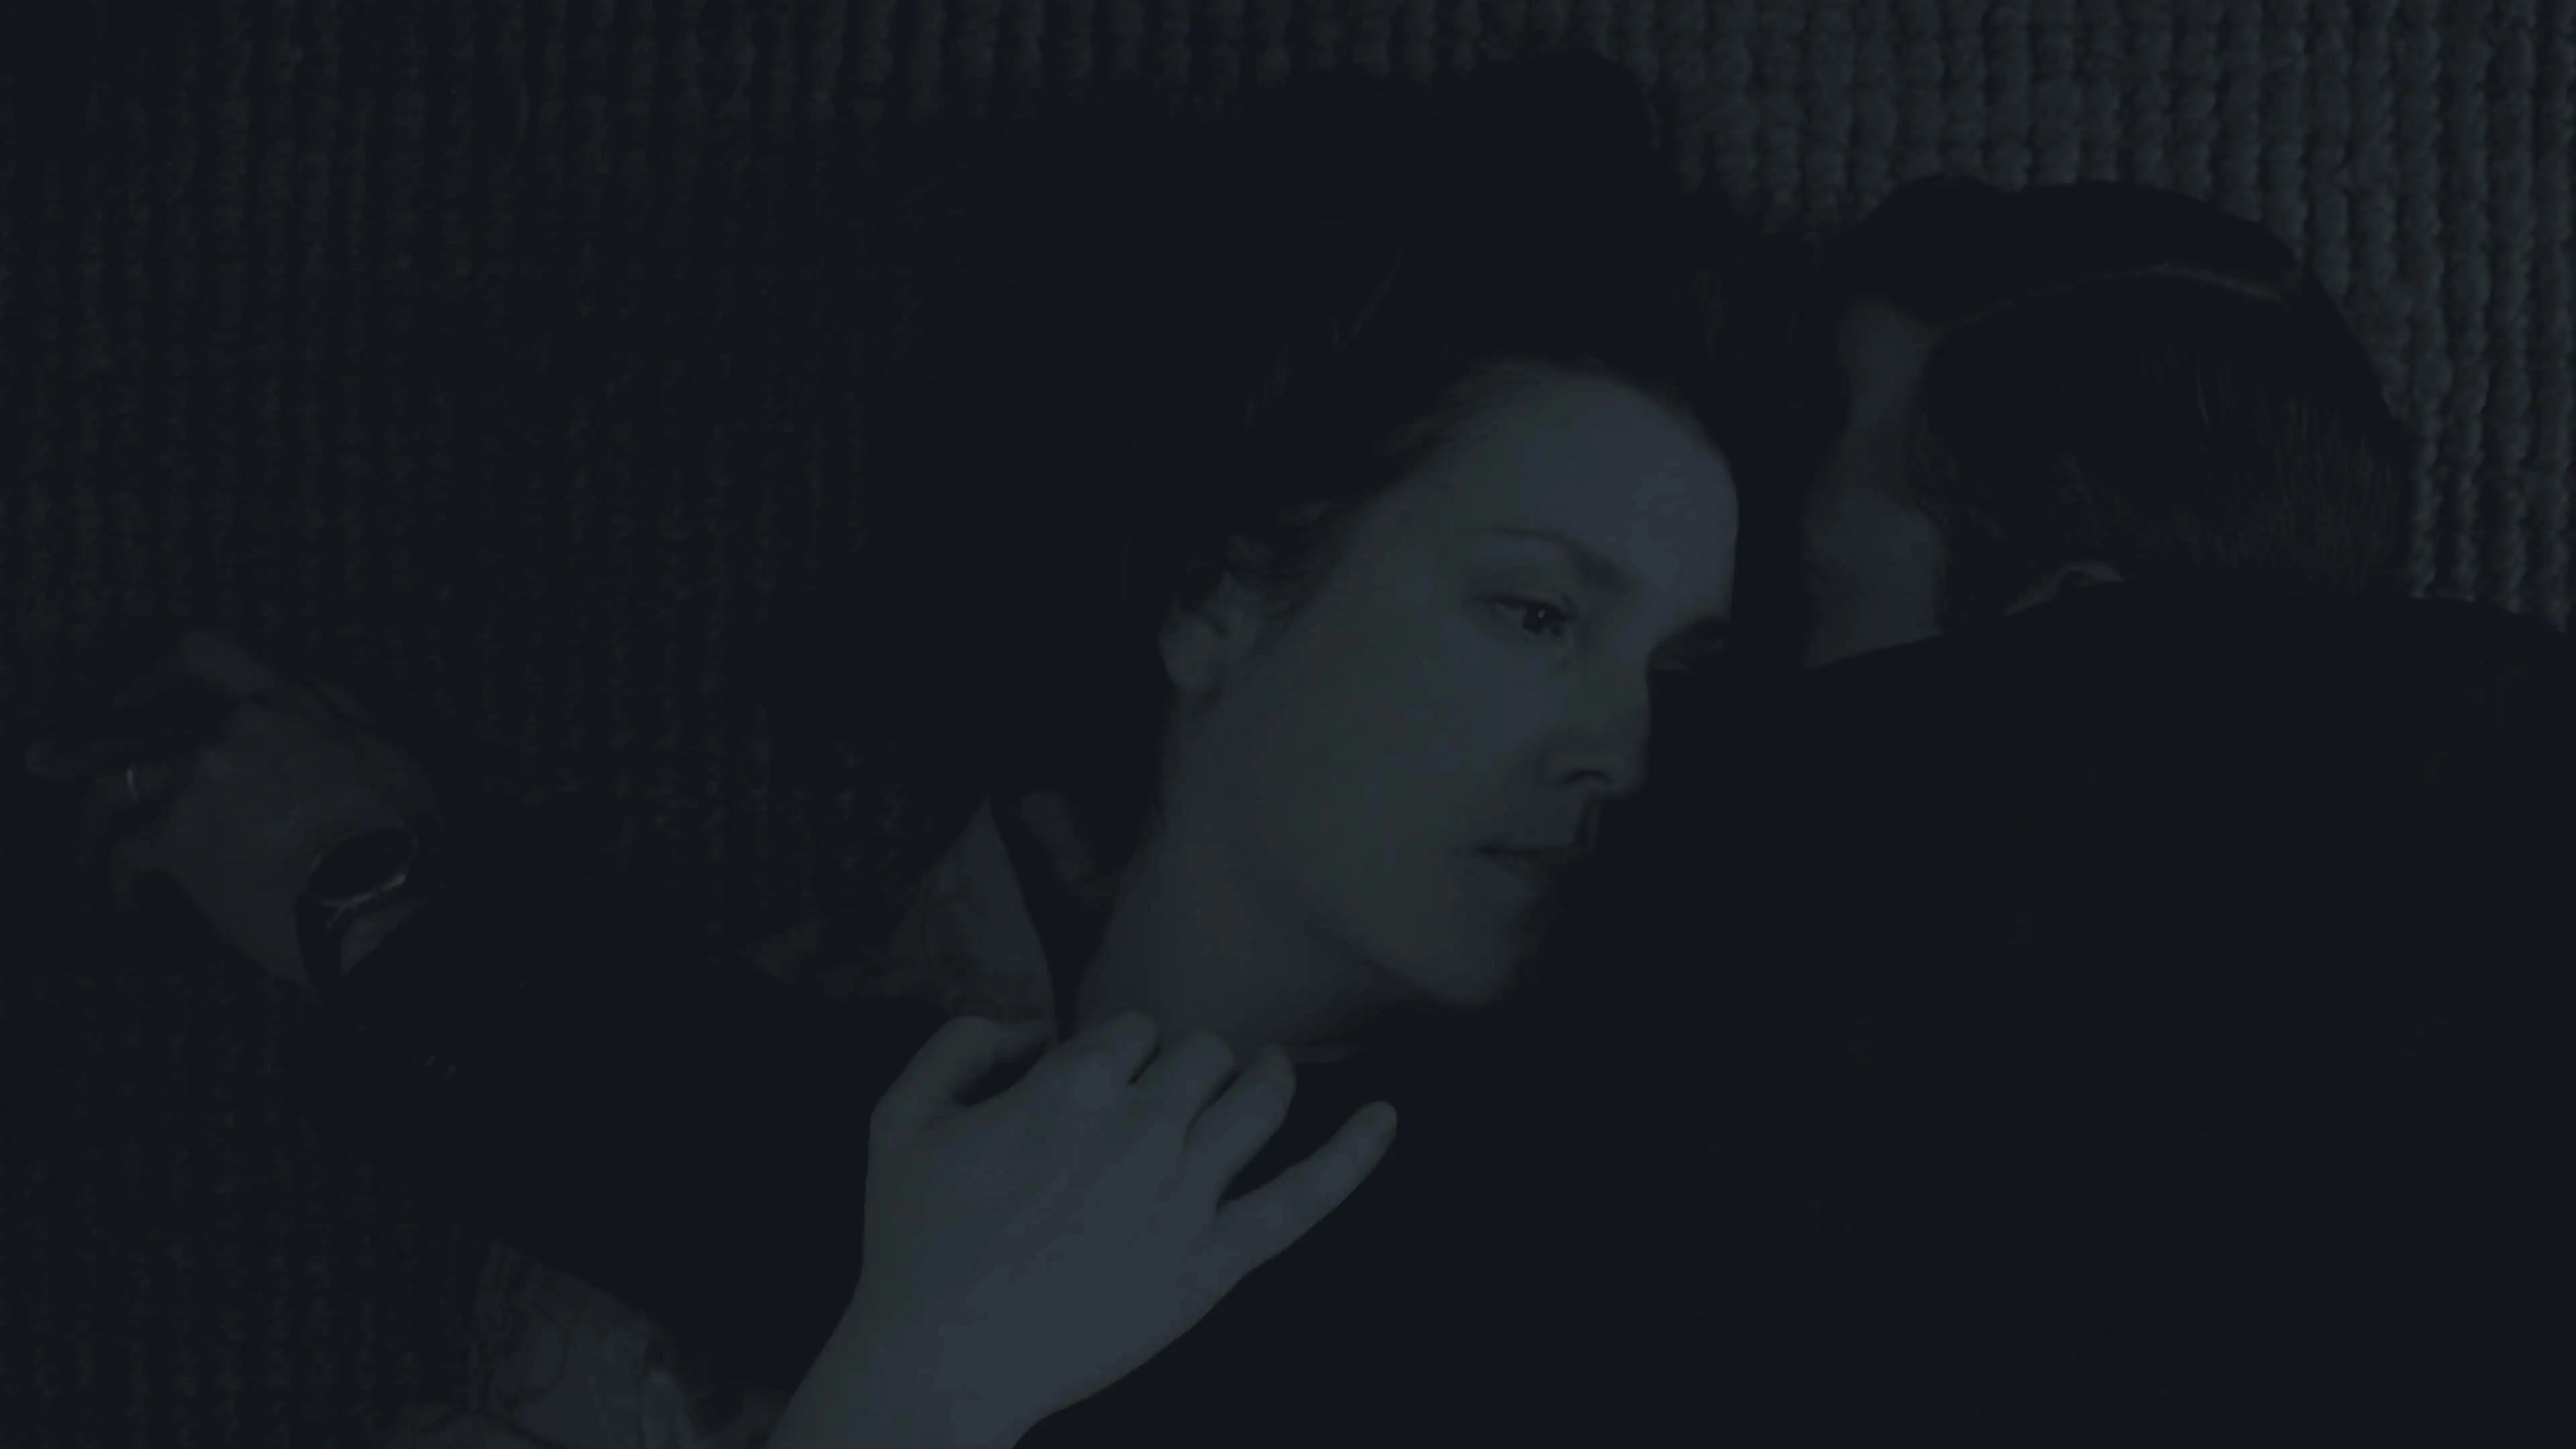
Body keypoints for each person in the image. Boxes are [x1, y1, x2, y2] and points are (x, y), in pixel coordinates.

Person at [30, 69, 2575, 1449]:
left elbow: (1302, 1259)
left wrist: (389, 918)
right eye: (1537, 611)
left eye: (1753, 650)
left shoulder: (1854, 1067)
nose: (1666, 759)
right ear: (1218, 584)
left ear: (2076, 640)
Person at [25, 53, 1782, 1448]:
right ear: (1217, 593)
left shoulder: (1648, 1203)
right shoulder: (698, 1148)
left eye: (1679, 679)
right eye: (1535, 614)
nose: (1627, 751)